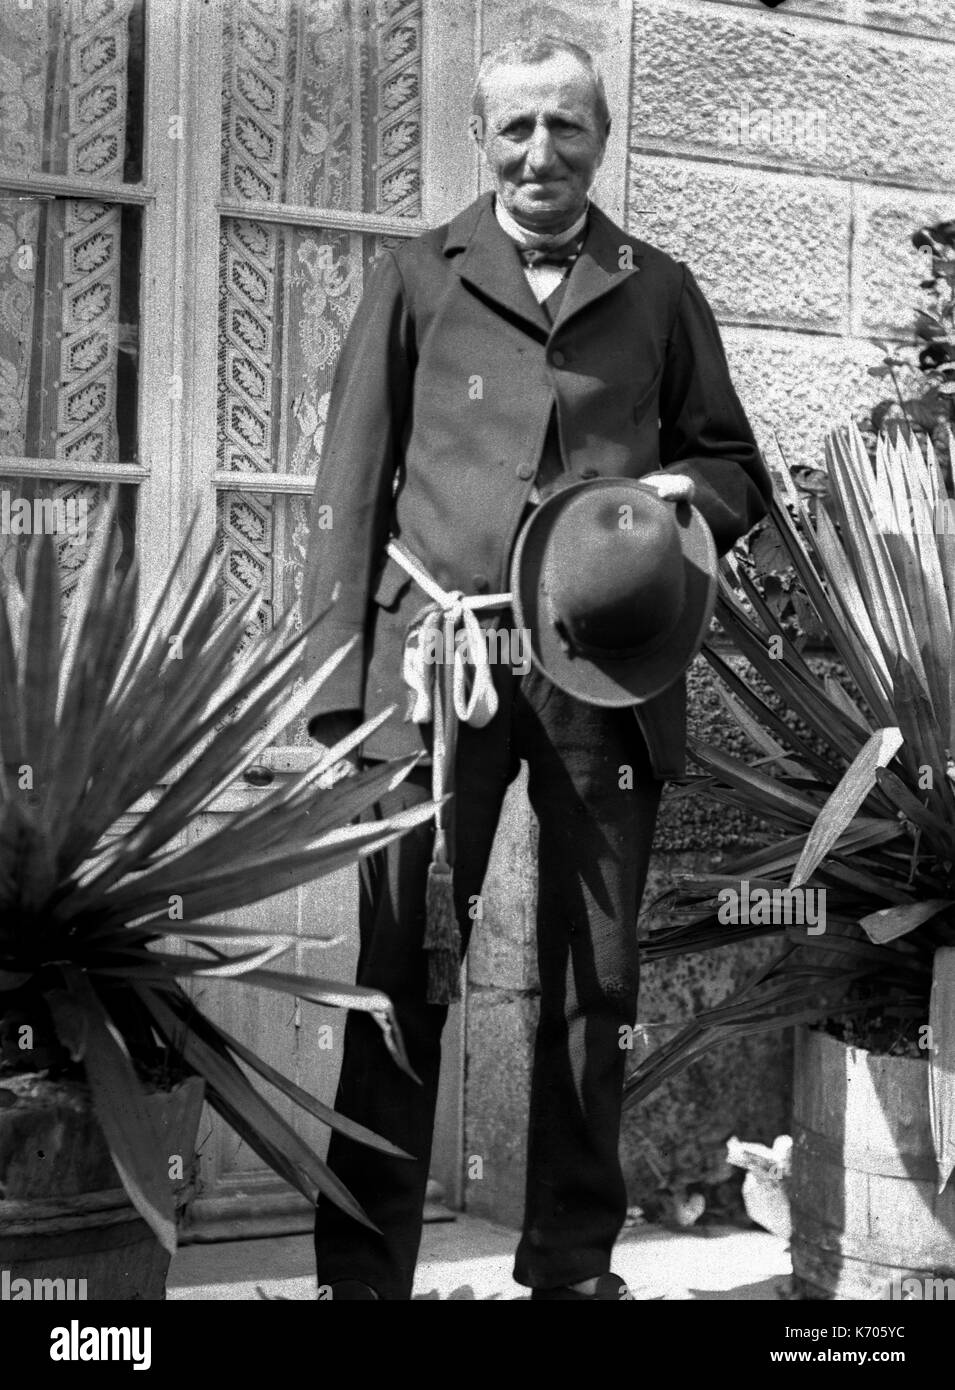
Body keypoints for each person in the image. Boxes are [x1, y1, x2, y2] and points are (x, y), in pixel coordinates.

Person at [300, 35, 772, 1301]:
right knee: (398, 964)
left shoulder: (657, 289)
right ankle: (363, 1276)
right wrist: (338, 694)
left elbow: (738, 467)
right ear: (479, 135)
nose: (540, 154)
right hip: (432, 667)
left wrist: (690, 494)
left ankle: (569, 1267)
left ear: (600, 138)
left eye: (566, 127)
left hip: (602, 676)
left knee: (596, 976)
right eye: (516, 128)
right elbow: (347, 487)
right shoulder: (415, 276)